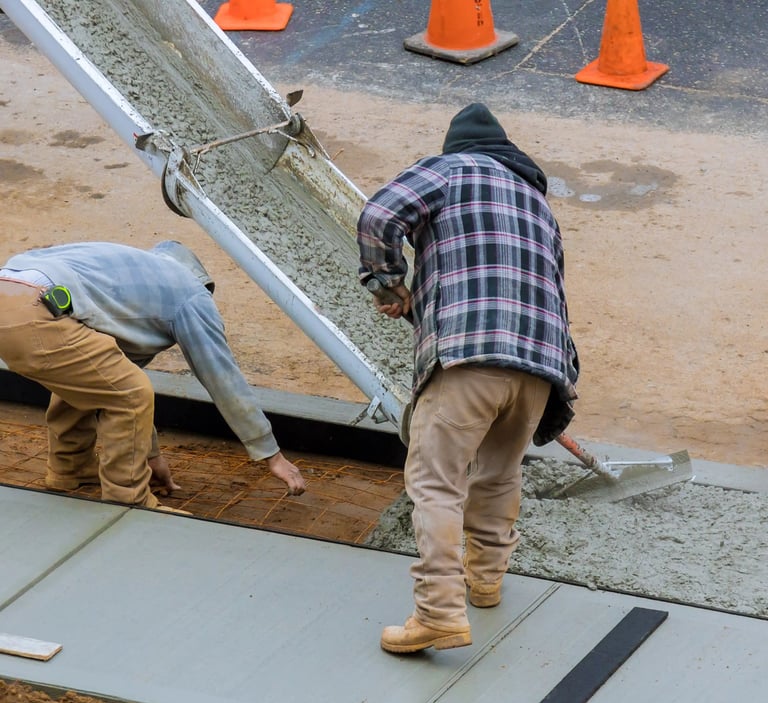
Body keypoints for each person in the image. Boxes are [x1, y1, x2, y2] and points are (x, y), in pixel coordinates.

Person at [357, 103, 579, 653]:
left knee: (436, 483)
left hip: (467, 357)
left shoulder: (450, 169)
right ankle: (485, 582)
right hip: (538, 369)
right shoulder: (539, 206)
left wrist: (389, 285)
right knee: (499, 475)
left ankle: (437, 613)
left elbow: (380, 216)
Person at [0, 240, 305, 513]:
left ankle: (70, 469)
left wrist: (150, 454)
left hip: (12, 291)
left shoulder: (125, 275)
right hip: (38, 309)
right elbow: (223, 378)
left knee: (89, 378)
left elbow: (104, 376)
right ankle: (127, 497)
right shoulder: (190, 293)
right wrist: (271, 454)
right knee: (131, 394)